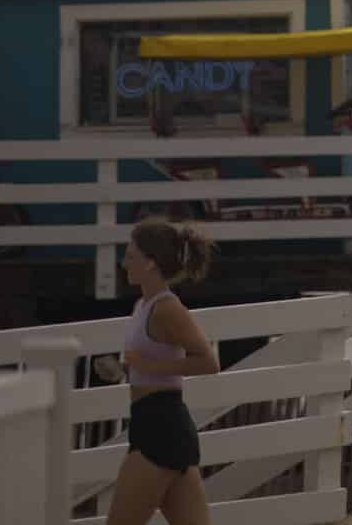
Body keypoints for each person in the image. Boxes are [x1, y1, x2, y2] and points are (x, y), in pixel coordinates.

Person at [110, 217, 219, 525]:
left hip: (162, 428)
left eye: (131, 256)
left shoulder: (167, 308)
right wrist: (123, 368)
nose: (123, 263)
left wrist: (148, 365)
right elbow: (148, 363)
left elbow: (209, 362)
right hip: (155, 424)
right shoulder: (142, 306)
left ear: (151, 263)